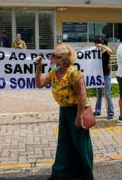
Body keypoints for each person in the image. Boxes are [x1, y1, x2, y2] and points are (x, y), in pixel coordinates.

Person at [34, 44, 94, 180]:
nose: (51, 58)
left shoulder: (73, 73)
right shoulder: (54, 73)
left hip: (77, 110)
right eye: (51, 55)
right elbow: (39, 84)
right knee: (64, 144)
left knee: (81, 145)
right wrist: (38, 68)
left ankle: (85, 176)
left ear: (65, 60)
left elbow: (82, 96)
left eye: (55, 56)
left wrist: (79, 116)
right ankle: (62, 175)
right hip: (64, 111)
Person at [93, 37, 114, 119]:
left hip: (106, 75)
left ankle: (111, 112)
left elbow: (111, 51)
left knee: (107, 94)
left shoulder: (106, 51)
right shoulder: (95, 52)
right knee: (99, 94)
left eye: (97, 44)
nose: (96, 45)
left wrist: (102, 46)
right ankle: (97, 111)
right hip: (98, 76)